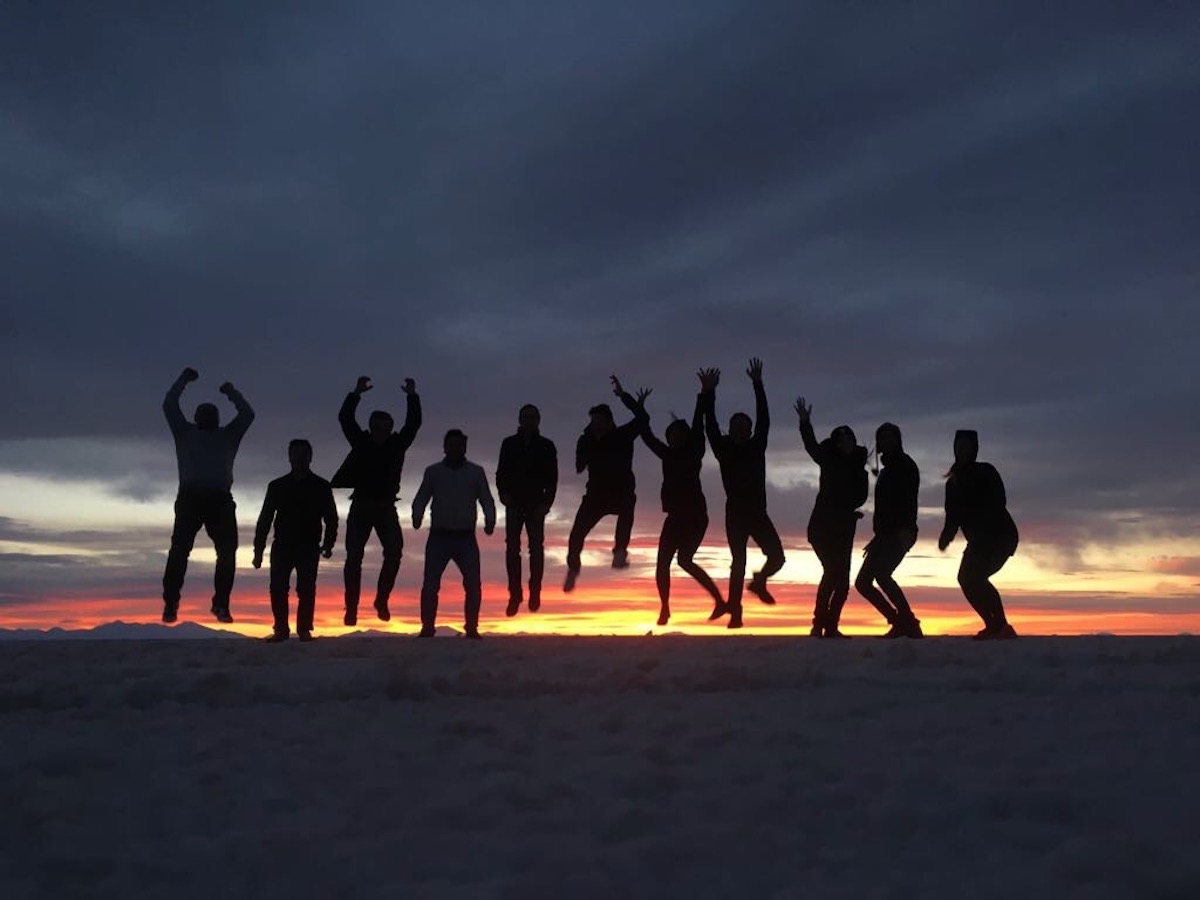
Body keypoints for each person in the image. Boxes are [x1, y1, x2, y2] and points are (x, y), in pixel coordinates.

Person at [161, 367, 255, 624]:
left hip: (220, 500)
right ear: (196, 418)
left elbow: (247, 414)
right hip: (191, 498)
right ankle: (171, 602)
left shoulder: (228, 436)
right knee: (180, 550)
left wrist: (231, 393)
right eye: (204, 414)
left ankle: (221, 604)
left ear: (217, 418)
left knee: (227, 552)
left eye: (211, 414)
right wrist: (183, 379)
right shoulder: (185, 433)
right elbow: (169, 405)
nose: (208, 417)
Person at [332, 375, 421, 626]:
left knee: (394, 553)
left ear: (389, 427)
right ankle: (351, 609)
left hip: (385, 507)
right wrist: (356, 393)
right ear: (371, 427)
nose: (380, 430)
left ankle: (381, 600)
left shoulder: (397, 445)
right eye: (376, 426)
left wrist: (412, 396)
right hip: (361, 506)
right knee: (354, 557)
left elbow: (413, 424)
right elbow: (345, 420)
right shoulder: (361, 442)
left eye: (384, 426)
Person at [703, 358, 785, 629]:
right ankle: (735, 611)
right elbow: (710, 425)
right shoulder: (723, 447)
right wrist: (709, 392)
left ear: (749, 431)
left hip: (758, 512)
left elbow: (764, 419)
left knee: (777, 558)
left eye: (744, 426)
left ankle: (759, 582)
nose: (740, 430)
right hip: (736, 514)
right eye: (735, 426)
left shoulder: (757, 445)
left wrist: (758, 384)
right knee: (738, 561)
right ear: (731, 429)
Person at [639, 373, 724, 626]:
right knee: (662, 564)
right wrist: (640, 410)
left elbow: (700, 422)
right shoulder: (666, 454)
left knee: (685, 560)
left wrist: (705, 392)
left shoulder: (695, 449)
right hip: (675, 517)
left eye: (679, 434)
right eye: (671, 435)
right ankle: (665, 608)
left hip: (696, 516)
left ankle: (719, 601)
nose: (675, 438)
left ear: (685, 437)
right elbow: (646, 435)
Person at [563, 376, 650, 592]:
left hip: (621, 492)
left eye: (601, 422)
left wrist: (623, 396)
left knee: (628, 505)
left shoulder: (623, 435)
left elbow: (643, 417)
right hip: (596, 496)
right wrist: (586, 444)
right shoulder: (587, 440)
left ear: (610, 422)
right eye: (594, 423)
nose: (597, 426)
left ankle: (620, 552)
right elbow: (579, 466)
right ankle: (573, 568)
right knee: (576, 534)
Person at [412, 429, 497, 638]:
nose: (455, 448)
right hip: (439, 536)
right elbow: (422, 496)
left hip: (465, 537)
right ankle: (428, 627)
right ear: (445, 447)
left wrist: (490, 519)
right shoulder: (433, 472)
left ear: (464, 447)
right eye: (451, 445)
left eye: (459, 445)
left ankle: (472, 628)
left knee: (473, 584)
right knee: (430, 584)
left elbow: (486, 498)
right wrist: (417, 515)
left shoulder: (476, 472)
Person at [795, 397, 869, 638]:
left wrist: (849, 509)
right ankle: (819, 624)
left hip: (844, 528)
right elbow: (811, 446)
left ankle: (830, 625)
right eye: (841, 438)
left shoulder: (860, 469)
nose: (846, 442)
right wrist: (805, 422)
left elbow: (859, 497)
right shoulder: (827, 459)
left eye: (850, 438)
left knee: (841, 580)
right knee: (832, 574)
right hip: (822, 527)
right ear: (835, 443)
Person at [252, 440, 339, 642]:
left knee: (307, 588)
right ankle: (281, 629)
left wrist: (328, 543)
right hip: (282, 544)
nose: (299, 458)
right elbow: (265, 518)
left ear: (310, 457)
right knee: (277, 588)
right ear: (289, 457)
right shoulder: (277, 486)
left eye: (303, 454)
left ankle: (304, 629)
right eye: (295, 454)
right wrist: (258, 551)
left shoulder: (321, 486)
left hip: (309, 546)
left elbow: (331, 518)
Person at [937, 430, 1019, 639]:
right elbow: (952, 516)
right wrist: (946, 537)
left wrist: (982, 524)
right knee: (966, 579)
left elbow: (999, 501)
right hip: (978, 541)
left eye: (967, 446)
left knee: (976, 578)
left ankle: (1000, 626)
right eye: (958, 446)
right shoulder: (953, 482)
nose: (962, 450)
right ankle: (994, 625)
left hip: (1000, 537)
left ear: (974, 449)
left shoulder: (986, 471)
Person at [854, 423, 922, 638]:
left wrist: (905, 529)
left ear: (898, 441)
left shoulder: (904, 466)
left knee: (879, 576)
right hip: (885, 534)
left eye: (891, 438)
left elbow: (908, 501)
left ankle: (907, 623)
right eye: (882, 438)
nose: (886, 442)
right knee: (866, 582)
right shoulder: (888, 469)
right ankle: (903, 622)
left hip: (899, 531)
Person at [496, 404, 558, 616]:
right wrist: (503, 495)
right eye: (525, 417)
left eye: (533, 417)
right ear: (520, 419)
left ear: (538, 419)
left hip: (536, 504)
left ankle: (535, 592)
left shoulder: (546, 445)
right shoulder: (509, 443)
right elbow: (501, 472)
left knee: (536, 549)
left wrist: (546, 503)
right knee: (512, 549)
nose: (529, 420)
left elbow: (552, 478)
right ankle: (515, 595)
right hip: (513, 503)